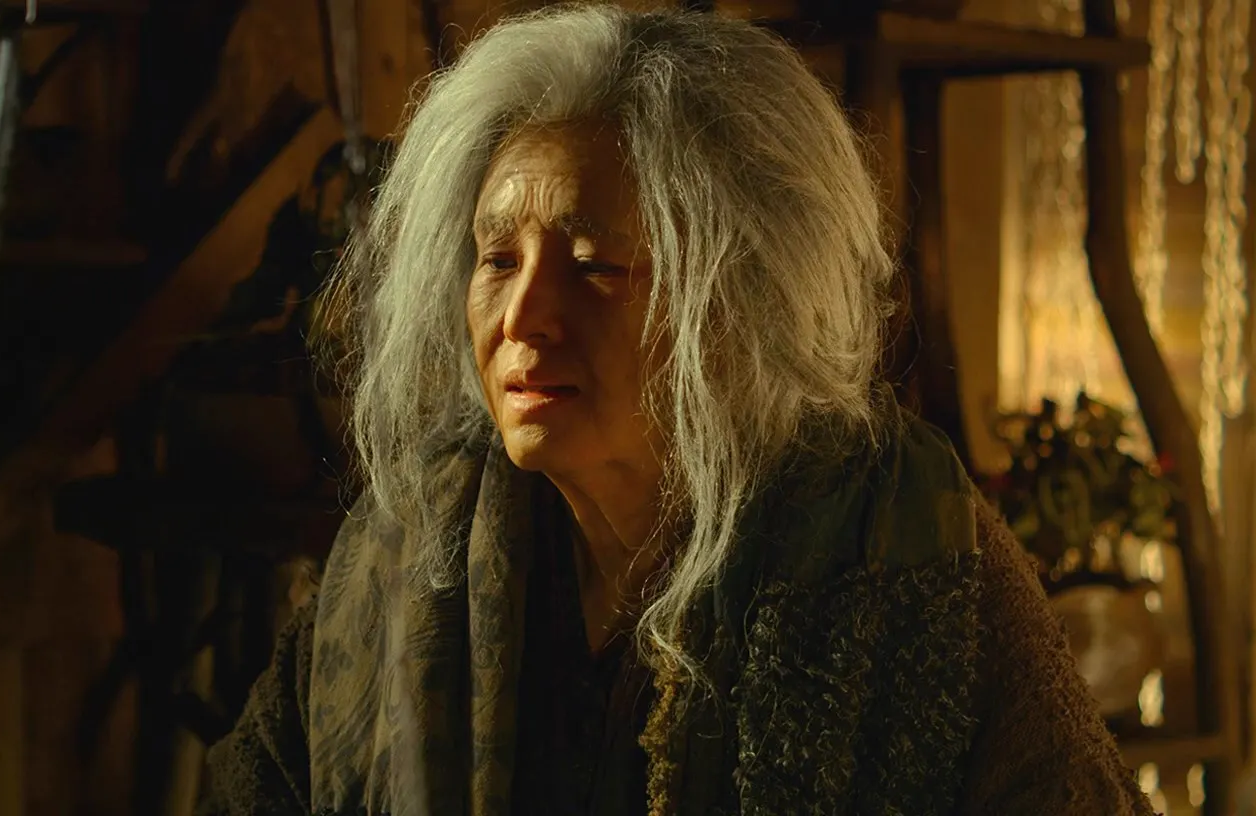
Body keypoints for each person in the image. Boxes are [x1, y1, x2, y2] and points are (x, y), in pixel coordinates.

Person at [202, 5, 1155, 815]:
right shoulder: (409, 550)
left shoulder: (905, 550)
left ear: (741, 301)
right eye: (497, 260)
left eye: (593, 265)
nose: (523, 317)